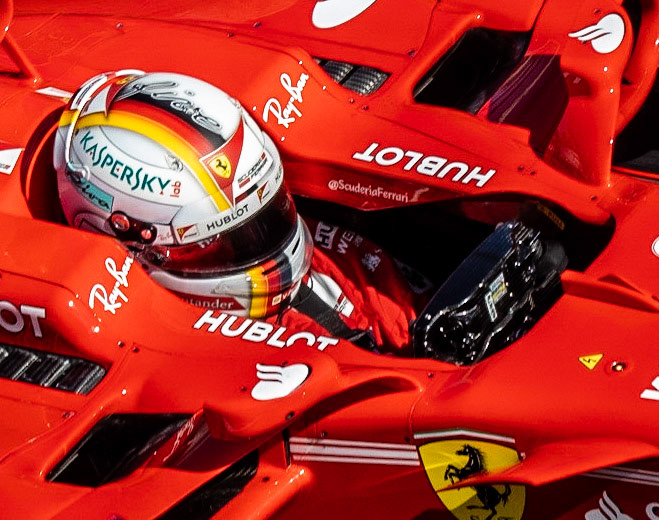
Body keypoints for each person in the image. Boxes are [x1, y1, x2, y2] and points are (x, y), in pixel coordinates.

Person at [54, 70, 421, 351]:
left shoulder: (348, 268)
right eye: (222, 241)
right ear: (138, 244)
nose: (262, 242)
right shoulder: (153, 350)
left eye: (267, 214)